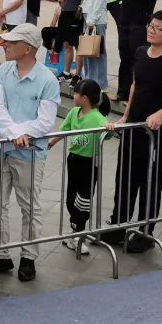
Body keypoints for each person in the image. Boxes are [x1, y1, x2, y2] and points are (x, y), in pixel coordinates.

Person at [105, 10, 162, 252]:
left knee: (150, 182)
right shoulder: (141, 52)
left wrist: (161, 114)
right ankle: (117, 227)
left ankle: (146, 233)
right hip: (134, 128)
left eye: (157, 28)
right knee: (124, 179)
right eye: (150, 25)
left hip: (156, 135)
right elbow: (136, 84)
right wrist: (125, 115)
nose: (151, 30)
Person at [0, 24, 60, 281]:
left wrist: (20, 134)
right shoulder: (5, 69)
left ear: (27, 48)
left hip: (30, 153)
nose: (5, 45)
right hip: (2, 147)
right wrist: (15, 133)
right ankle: (0, 253)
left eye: (11, 42)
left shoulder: (47, 80)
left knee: (30, 207)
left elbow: (46, 121)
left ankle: (29, 256)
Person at [49, 79, 110, 255]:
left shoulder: (98, 117)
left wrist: (110, 128)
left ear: (84, 98)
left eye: (76, 93)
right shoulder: (74, 112)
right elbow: (64, 129)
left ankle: (78, 234)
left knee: (84, 200)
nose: (73, 95)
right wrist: (52, 142)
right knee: (71, 196)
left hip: (89, 163)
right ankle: (74, 230)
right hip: (74, 160)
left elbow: (107, 131)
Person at [113, 0, 162, 101]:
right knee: (124, 55)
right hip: (125, 18)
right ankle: (122, 92)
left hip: (140, 20)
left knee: (138, 56)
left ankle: (137, 95)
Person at [79, 0, 110, 89]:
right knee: (87, 51)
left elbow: (99, 3)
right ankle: (89, 79)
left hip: (96, 20)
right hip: (87, 17)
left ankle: (100, 83)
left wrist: (91, 20)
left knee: (97, 52)